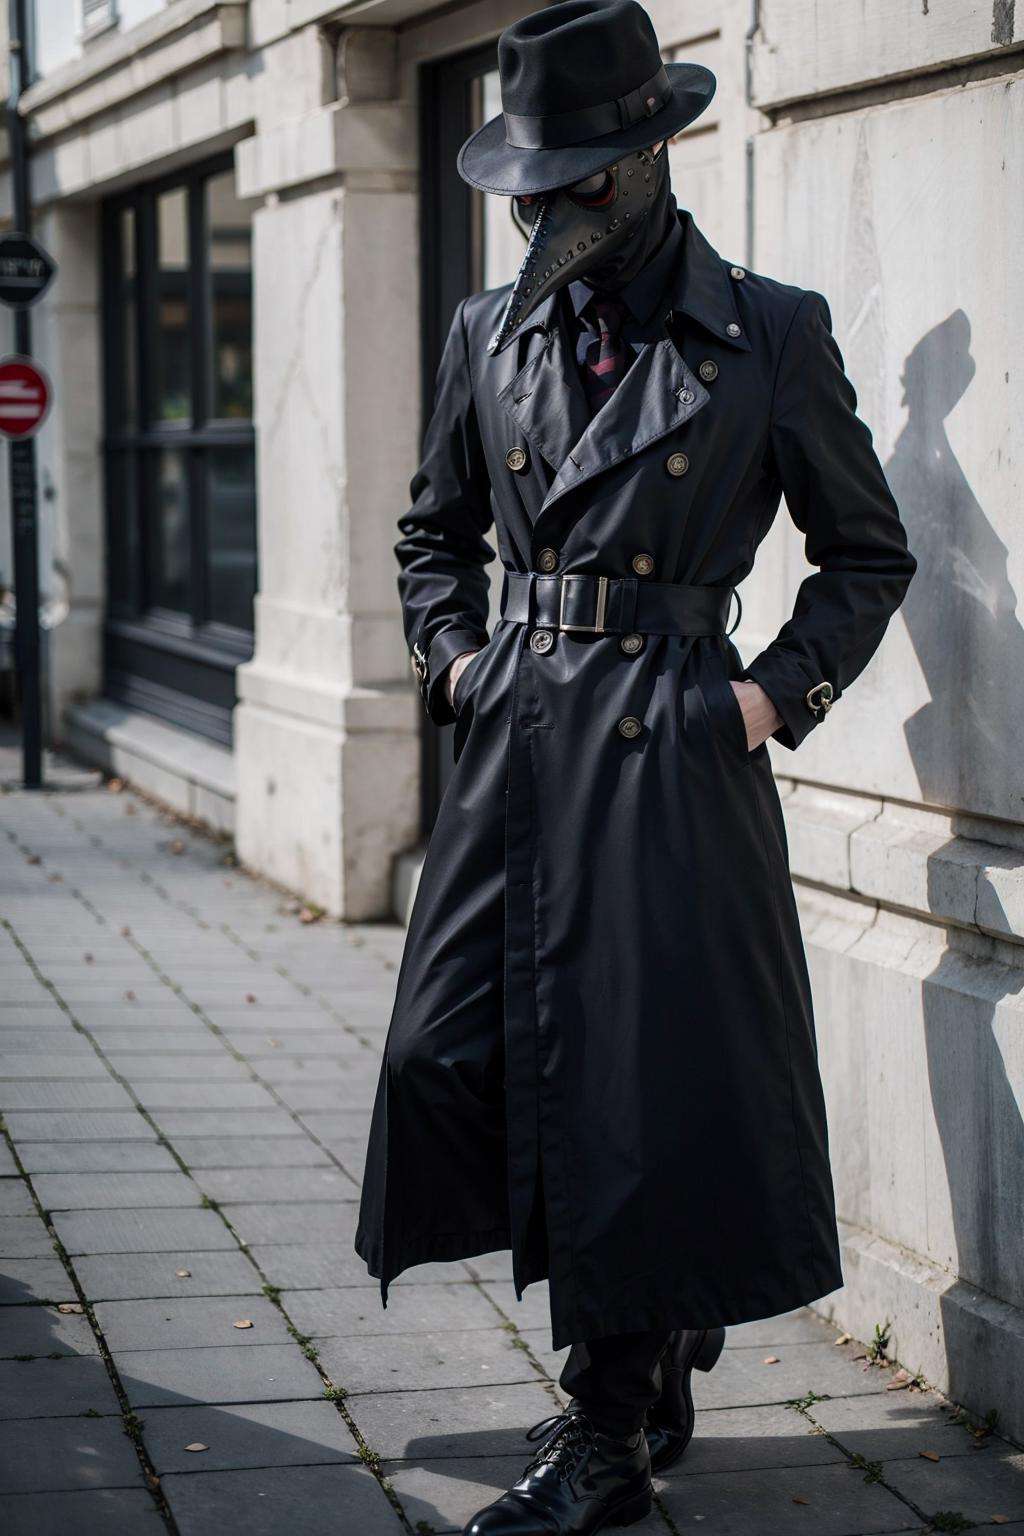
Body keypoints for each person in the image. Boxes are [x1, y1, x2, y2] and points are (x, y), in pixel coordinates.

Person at [355, 3, 917, 1531]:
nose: (547, 209)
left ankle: (606, 1431)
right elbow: (430, 538)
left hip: (669, 750)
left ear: (654, 158)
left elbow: (867, 554)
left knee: (628, 1098)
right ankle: (659, 1329)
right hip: (519, 740)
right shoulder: (490, 331)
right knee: (439, 1054)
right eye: (531, 185)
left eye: (579, 178)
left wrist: (763, 700)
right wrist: (456, 664)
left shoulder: (770, 328)